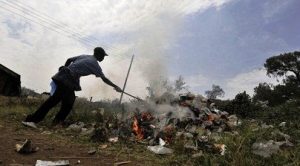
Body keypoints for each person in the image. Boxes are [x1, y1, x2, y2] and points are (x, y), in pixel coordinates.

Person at [24, 47, 122, 126]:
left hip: (64, 76)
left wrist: (65, 67)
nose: (103, 58)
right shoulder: (95, 64)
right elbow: (104, 79)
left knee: (68, 102)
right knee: (54, 101)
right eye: (103, 56)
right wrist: (115, 86)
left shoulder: (85, 56)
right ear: (99, 55)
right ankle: (32, 120)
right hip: (67, 79)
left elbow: (69, 60)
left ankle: (55, 123)